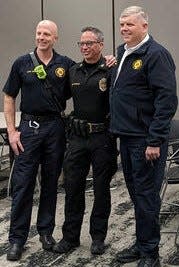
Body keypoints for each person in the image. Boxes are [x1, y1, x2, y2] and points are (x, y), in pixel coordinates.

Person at [3, 20, 116, 261]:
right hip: (35, 129)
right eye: (38, 33)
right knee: (27, 185)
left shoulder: (74, 66)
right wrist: (12, 131)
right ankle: (18, 240)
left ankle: (50, 233)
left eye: (47, 34)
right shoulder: (27, 64)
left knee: (54, 184)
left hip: (68, 130)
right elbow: (9, 95)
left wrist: (112, 61)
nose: (41, 37)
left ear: (55, 38)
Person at [109, 6, 178, 267]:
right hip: (126, 137)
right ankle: (141, 244)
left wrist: (154, 140)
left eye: (130, 24)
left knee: (147, 197)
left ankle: (151, 254)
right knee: (137, 195)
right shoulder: (123, 52)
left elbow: (167, 100)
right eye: (122, 24)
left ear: (144, 26)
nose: (125, 29)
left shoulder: (156, 55)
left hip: (145, 140)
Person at [52, 26, 118, 255]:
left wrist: (114, 60)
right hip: (78, 139)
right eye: (81, 44)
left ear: (100, 45)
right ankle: (70, 237)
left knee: (101, 190)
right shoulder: (73, 71)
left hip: (102, 138)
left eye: (89, 43)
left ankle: (98, 238)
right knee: (73, 189)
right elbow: (57, 93)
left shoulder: (111, 70)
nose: (85, 47)